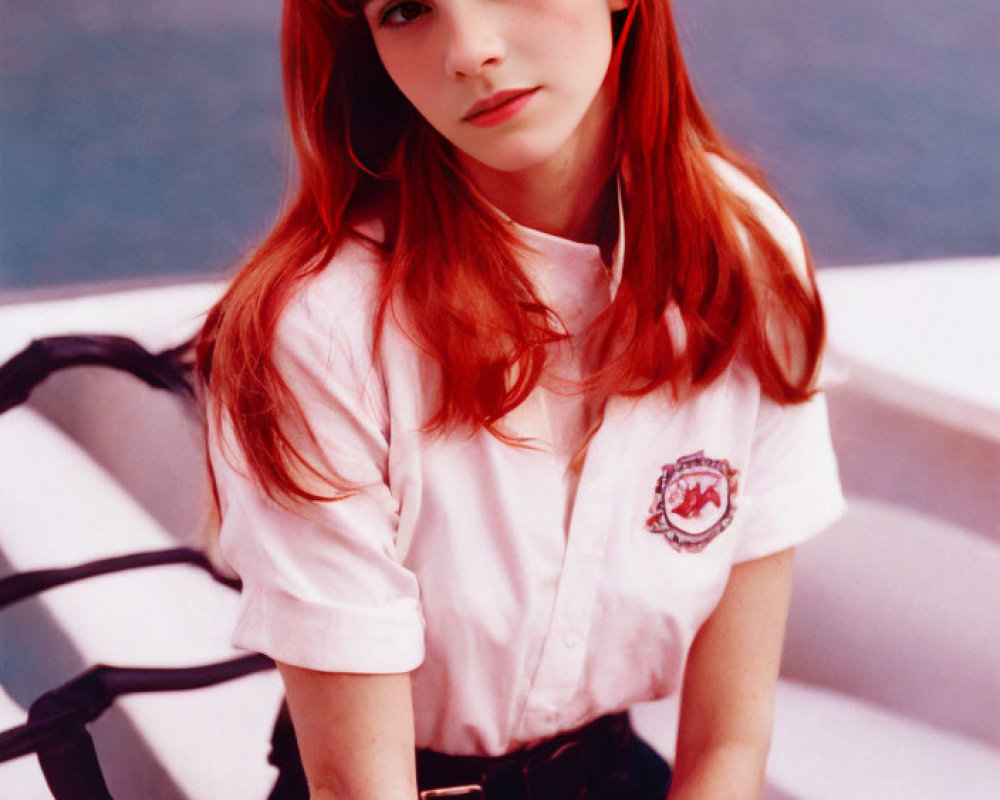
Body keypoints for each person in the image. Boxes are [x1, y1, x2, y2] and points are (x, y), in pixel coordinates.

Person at [196, 0, 845, 798]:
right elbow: (357, 789)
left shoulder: (744, 257)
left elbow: (728, 749)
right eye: (404, 10)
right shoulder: (320, 331)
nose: (469, 51)